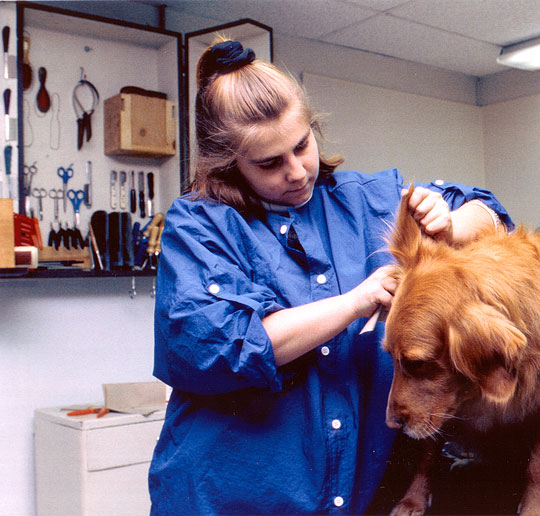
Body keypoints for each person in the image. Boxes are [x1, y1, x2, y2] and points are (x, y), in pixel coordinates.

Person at [148, 37, 514, 515]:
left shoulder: (369, 201)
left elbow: (493, 216)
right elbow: (226, 345)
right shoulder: (199, 226)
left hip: (360, 495)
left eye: (302, 145)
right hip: (229, 495)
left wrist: (449, 224)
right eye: (269, 163)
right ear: (228, 163)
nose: (297, 171)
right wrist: (355, 302)